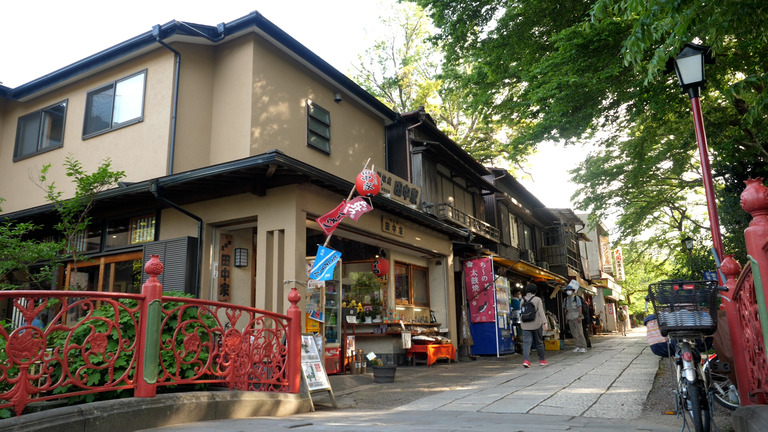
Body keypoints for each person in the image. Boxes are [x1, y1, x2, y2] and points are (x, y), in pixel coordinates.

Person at [520, 283, 548, 367]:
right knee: (539, 342)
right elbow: (541, 312)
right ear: (535, 291)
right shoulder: (537, 299)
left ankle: (526, 360)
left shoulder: (522, 300)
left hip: (525, 324)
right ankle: (542, 360)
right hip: (536, 324)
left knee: (526, 343)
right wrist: (545, 322)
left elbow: (521, 312)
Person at [562, 281, 587, 353]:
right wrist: (566, 318)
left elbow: (580, 307)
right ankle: (577, 346)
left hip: (577, 317)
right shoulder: (565, 299)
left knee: (580, 332)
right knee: (574, 333)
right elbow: (565, 309)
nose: (568, 292)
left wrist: (579, 316)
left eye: (569, 290)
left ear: (572, 291)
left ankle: (584, 346)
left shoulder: (576, 298)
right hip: (570, 317)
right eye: (567, 291)